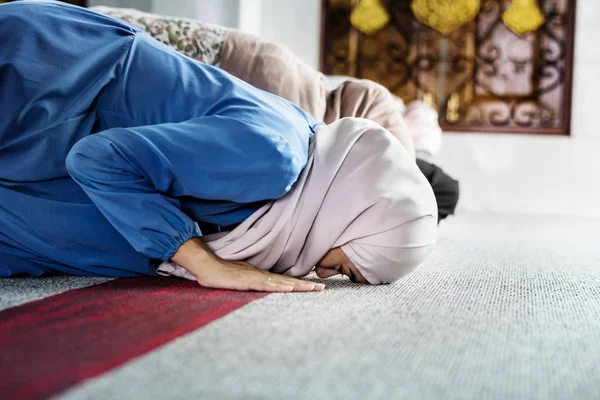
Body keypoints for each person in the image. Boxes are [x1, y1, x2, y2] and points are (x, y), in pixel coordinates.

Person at [0, 1, 438, 291]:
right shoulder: (274, 157)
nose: (322, 273)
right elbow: (98, 159)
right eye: (343, 268)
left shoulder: (280, 198)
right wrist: (204, 263)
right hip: (44, 83)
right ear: (354, 209)